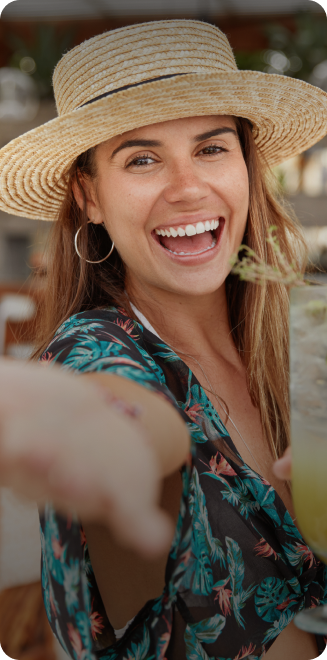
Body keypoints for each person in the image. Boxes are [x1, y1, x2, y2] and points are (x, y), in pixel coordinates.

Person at [0, 19, 326, 660]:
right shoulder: (94, 357)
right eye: (142, 159)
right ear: (88, 195)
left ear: (249, 168)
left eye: (211, 148)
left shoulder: (299, 342)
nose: (186, 188)